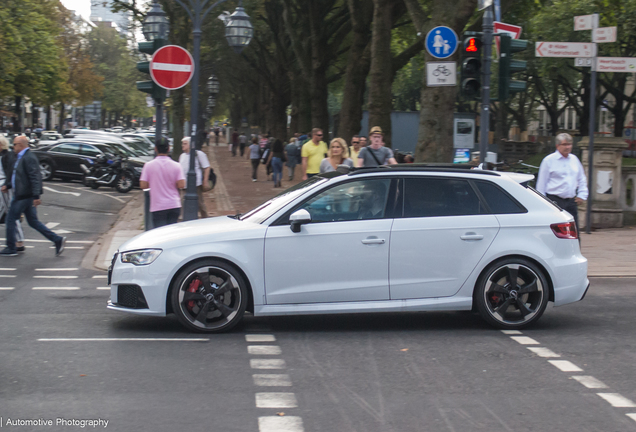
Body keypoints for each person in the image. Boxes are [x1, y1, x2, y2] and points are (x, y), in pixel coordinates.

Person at [0, 136, 65, 256]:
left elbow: (35, 177)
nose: (12, 147)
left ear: (21, 145)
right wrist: (8, 185)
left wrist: (36, 196)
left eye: (14, 144)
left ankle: (11, 248)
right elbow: (16, 175)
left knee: (10, 219)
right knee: (33, 222)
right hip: (23, 194)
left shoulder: (29, 158)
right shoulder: (20, 157)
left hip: (24, 195)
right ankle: (57, 239)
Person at [536, 132, 588, 231]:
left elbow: (581, 178)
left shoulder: (574, 159)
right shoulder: (549, 161)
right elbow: (541, 184)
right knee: (557, 231)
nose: (568, 147)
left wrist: (582, 194)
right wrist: (543, 202)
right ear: (557, 146)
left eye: (570, 144)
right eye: (565, 144)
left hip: (571, 201)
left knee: (574, 231)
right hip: (555, 200)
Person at [140, 137, 185, 228]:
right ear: (169, 148)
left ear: (155, 149)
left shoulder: (148, 166)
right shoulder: (177, 165)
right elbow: (181, 184)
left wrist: (153, 183)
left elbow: (143, 185)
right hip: (174, 204)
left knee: (160, 233)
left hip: (158, 206)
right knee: (171, 232)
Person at [0, 136, 24, 252]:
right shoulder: (4, 156)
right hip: (4, 186)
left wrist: (7, 184)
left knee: (11, 213)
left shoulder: (6, 156)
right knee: (10, 213)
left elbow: (9, 173)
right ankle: (18, 241)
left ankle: (19, 241)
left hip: (4, 187)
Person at [179, 137, 211, 219]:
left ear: (190, 145)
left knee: (200, 203)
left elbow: (207, 167)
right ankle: (184, 218)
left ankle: (205, 218)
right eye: (182, 143)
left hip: (195, 183)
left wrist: (205, 181)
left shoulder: (198, 154)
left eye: (185, 143)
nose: (183, 145)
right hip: (184, 184)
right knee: (183, 202)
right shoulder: (182, 156)